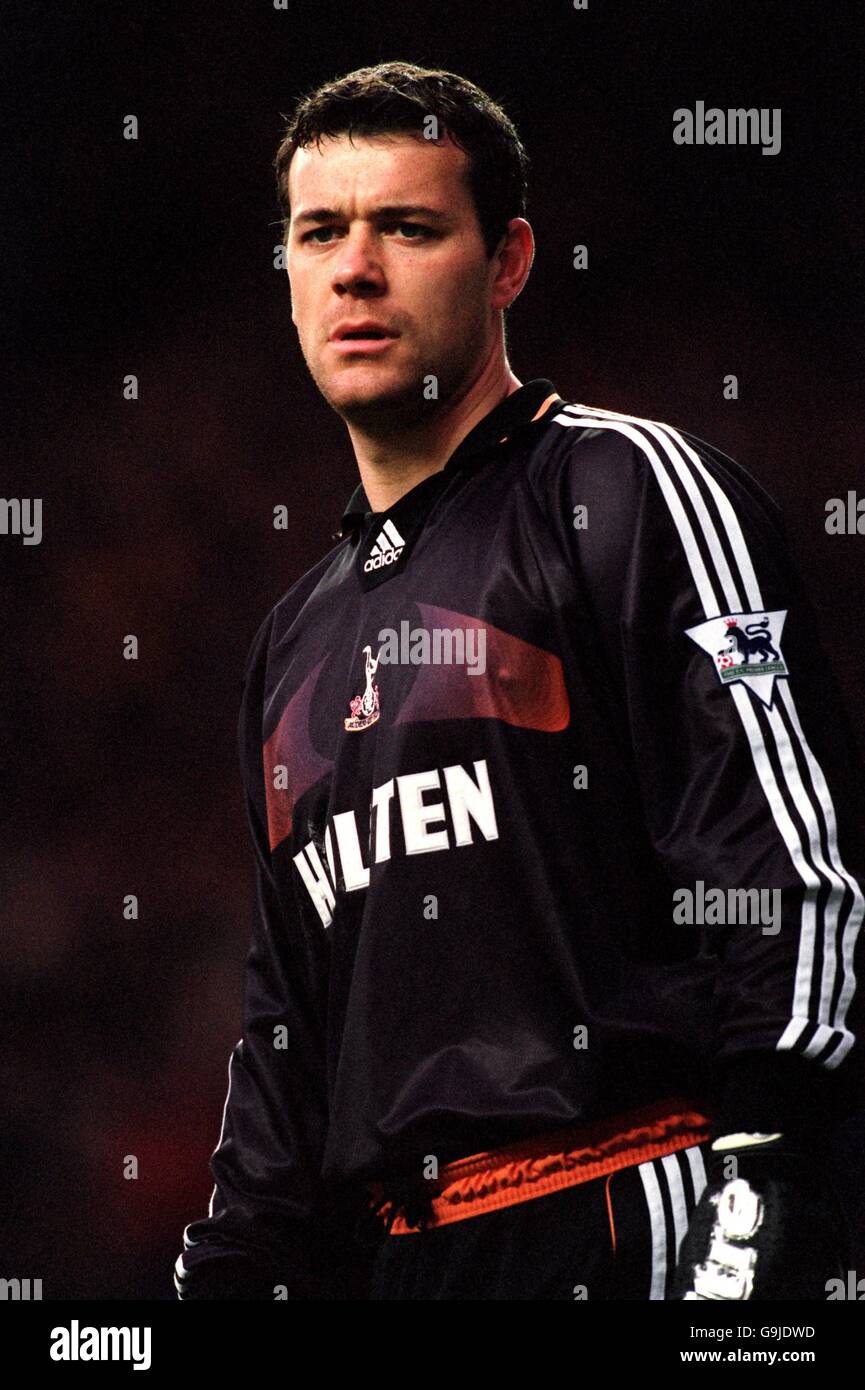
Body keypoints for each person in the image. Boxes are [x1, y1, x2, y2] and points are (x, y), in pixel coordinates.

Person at [175, 61, 865, 1301]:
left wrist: (768, 1176)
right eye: (319, 231)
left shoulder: (628, 490)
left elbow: (791, 869)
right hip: (391, 1263)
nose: (356, 267)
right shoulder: (289, 643)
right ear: (283, 274)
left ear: (509, 262)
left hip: (633, 1206)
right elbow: (286, 1036)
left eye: (410, 227)